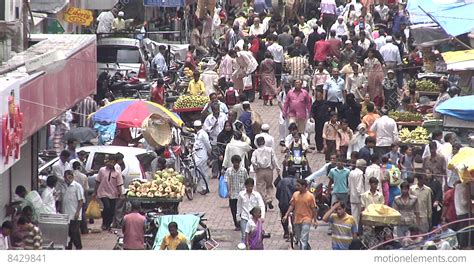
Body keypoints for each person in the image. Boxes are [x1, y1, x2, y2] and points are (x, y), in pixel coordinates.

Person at [282, 179, 318, 250]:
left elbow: (314, 209)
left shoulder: (310, 196)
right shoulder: (295, 194)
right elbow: (292, 205)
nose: (296, 187)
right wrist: (286, 215)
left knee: (303, 239)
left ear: (304, 186)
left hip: (307, 219)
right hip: (297, 220)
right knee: (299, 238)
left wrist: (315, 220)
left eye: (298, 185)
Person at [93, 155, 124, 231]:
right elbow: (98, 181)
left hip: (113, 193)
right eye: (110, 161)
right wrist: (95, 192)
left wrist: (121, 194)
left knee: (112, 210)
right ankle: (104, 223)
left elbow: (119, 184)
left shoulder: (117, 173)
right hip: (103, 192)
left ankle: (108, 224)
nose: (111, 163)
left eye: (113, 162)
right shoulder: (102, 170)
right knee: (107, 207)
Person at [252, 137, 281, 209]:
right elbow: (274, 160)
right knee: (269, 186)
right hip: (269, 171)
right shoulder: (270, 150)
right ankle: (269, 199)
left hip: (260, 171)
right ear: (264, 142)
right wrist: (278, 169)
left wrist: (256, 167)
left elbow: (253, 161)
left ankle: (263, 201)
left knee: (260, 187)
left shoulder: (255, 152)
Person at [237, 178, 266, 245]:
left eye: (251, 186)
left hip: (254, 219)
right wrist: (238, 215)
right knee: (244, 235)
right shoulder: (241, 194)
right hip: (244, 217)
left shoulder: (257, 195)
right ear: (245, 186)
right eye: (248, 186)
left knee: (255, 235)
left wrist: (262, 216)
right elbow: (239, 205)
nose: (249, 188)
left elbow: (261, 205)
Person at [203, 103, 227, 180]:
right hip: (214, 140)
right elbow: (205, 128)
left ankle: (224, 171)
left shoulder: (223, 116)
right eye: (215, 111)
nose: (217, 112)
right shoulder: (209, 118)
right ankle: (215, 173)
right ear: (212, 111)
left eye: (218, 110)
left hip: (223, 139)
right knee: (215, 158)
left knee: (224, 155)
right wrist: (212, 126)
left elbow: (227, 124)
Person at [62, 170, 84, 250]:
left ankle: (79, 247)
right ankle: (69, 247)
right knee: (68, 233)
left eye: (70, 177)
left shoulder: (77, 186)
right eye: (67, 177)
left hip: (74, 213)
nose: (68, 179)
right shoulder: (63, 186)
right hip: (66, 214)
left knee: (74, 232)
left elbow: (81, 200)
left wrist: (77, 212)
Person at [225, 155, 248, 231]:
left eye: (238, 162)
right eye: (235, 163)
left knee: (242, 209)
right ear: (232, 163)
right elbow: (227, 181)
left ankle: (242, 223)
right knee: (234, 210)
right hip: (232, 194)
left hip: (242, 193)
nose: (236, 164)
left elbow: (247, 180)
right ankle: (236, 224)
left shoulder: (243, 170)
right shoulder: (229, 171)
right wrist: (228, 191)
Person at [276, 167, 297, 238]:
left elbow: (277, 193)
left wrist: (280, 199)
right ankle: (294, 231)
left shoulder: (282, 181)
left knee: (283, 216)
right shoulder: (297, 181)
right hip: (294, 203)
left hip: (283, 203)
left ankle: (286, 232)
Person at [192, 120, 212, 195]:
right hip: (197, 154)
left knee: (203, 172)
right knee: (198, 171)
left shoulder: (203, 134)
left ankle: (205, 188)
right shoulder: (198, 134)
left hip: (202, 155)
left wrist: (209, 152)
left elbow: (207, 144)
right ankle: (201, 186)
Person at [348, 159, 366, 226]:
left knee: (354, 216)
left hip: (352, 197)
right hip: (359, 198)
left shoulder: (351, 172)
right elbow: (359, 187)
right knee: (359, 216)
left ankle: (354, 230)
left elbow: (349, 185)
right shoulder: (360, 173)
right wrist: (362, 198)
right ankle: (357, 231)